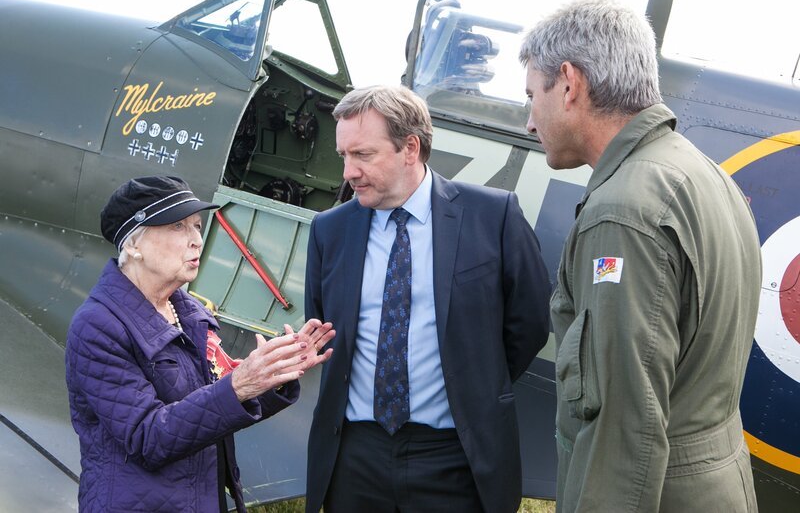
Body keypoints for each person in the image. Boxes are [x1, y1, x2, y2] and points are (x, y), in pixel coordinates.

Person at [519, 0, 761, 512]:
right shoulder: (701, 173)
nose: (528, 122)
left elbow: (622, 430)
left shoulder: (624, 211)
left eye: (531, 96)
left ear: (569, 83)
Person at [304, 85, 551, 513]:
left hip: (454, 458)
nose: (348, 171)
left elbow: (529, 323)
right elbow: (324, 324)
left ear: (410, 148)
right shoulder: (330, 230)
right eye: (344, 155)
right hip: (355, 459)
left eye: (362, 155)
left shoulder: (493, 216)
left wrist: (475, 381)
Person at [65, 176, 335, 513]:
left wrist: (274, 373)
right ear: (133, 245)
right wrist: (238, 386)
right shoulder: (96, 327)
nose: (197, 239)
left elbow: (212, 413)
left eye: (196, 225)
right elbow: (147, 438)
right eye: (178, 226)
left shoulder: (188, 311)